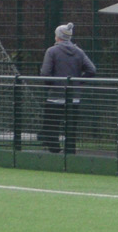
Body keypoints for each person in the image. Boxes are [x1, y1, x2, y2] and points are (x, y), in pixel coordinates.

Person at [38, 23, 95, 153]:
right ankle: (70, 153)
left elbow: (45, 73)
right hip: (74, 97)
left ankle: (54, 152)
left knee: (51, 126)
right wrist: (78, 82)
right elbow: (92, 70)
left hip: (55, 97)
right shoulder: (79, 52)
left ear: (58, 36)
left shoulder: (52, 51)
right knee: (71, 128)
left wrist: (51, 86)